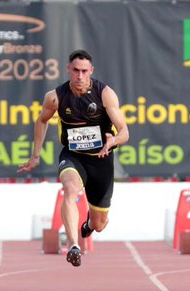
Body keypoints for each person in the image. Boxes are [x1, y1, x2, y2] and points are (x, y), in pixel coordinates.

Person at [18, 50, 131, 267]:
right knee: (69, 188)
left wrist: (113, 141)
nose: (80, 76)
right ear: (68, 69)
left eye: (84, 71)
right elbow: (42, 121)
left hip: (101, 160)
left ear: (91, 71)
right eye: (76, 70)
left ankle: (89, 222)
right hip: (73, 156)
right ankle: (73, 245)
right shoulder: (55, 97)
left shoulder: (105, 93)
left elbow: (125, 131)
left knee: (100, 225)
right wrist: (35, 155)